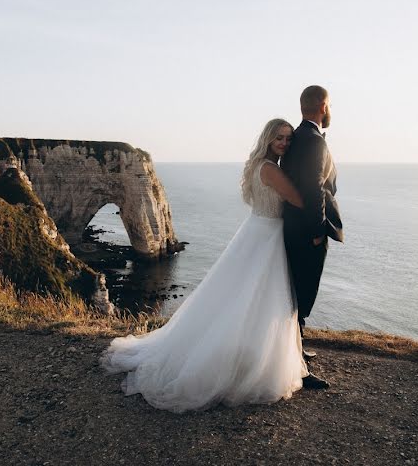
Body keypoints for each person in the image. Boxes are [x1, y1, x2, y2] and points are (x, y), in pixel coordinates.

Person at [101, 118, 318, 413]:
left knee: (240, 299)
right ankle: (246, 364)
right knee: (260, 299)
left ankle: (244, 354)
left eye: (288, 139)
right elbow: (299, 199)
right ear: (268, 139)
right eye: (279, 138)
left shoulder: (257, 166)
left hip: (255, 231)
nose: (284, 143)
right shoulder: (271, 169)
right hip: (266, 237)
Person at [280, 85, 344, 388]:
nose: (331, 109)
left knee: (295, 294)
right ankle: (299, 369)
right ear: (322, 105)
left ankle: (296, 350)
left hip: (292, 227)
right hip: (308, 232)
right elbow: (314, 187)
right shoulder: (312, 139)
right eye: (330, 104)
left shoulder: (296, 137)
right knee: (302, 298)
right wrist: (318, 232)